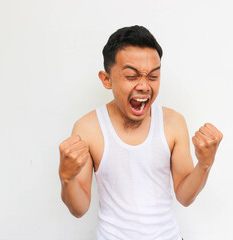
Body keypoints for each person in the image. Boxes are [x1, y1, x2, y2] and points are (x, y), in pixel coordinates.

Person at [59, 25, 223, 240]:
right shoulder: (88, 128)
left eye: (153, 77)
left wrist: (204, 164)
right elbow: (79, 209)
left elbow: (185, 196)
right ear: (106, 79)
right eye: (131, 76)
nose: (144, 86)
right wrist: (67, 178)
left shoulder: (173, 122)